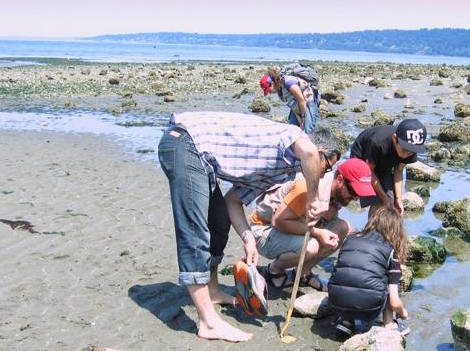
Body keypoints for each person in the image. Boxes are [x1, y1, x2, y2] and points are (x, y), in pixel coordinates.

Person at [158, 111, 325, 342]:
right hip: (185, 141)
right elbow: (310, 152)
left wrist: (248, 239)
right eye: (324, 169)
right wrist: (313, 198)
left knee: (218, 220)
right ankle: (208, 322)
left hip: (199, 156)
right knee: (194, 232)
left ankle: (213, 290)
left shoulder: (278, 173)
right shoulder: (291, 139)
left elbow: (232, 202)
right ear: (321, 155)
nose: (321, 176)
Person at [249, 158, 375, 291]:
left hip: (294, 223)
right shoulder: (307, 187)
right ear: (339, 179)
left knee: (344, 228)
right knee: (311, 247)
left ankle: (303, 273)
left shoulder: (335, 191)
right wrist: (319, 233)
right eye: (353, 191)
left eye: (359, 194)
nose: (355, 198)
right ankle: (274, 270)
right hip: (264, 229)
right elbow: (278, 221)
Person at [327, 207, 409, 337]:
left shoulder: (350, 239)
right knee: (389, 282)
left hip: (336, 301)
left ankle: (346, 322)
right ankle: (389, 325)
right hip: (369, 308)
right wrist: (403, 312)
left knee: (350, 274)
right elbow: (394, 301)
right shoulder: (390, 250)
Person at [350, 119, 427, 216]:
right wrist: (383, 197)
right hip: (362, 158)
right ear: (395, 139)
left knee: (392, 204)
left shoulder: (411, 149)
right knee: (377, 201)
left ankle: (387, 229)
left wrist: (398, 198)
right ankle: (372, 229)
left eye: (411, 152)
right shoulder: (378, 142)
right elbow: (368, 172)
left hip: (385, 162)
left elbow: (398, 170)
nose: (407, 154)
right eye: (405, 150)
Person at [259, 68, 319, 133]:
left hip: (309, 101)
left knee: (308, 129)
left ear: (272, 83)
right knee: (293, 129)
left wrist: (303, 120)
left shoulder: (288, 83)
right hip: (298, 104)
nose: (269, 93)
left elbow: (302, 101)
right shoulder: (280, 90)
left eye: (269, 90)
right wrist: (300, 122)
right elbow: (293, 105)